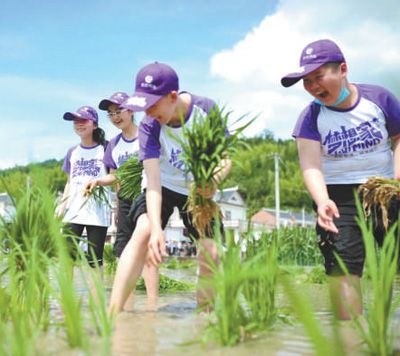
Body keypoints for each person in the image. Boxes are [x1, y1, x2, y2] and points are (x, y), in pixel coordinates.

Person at [281, 39, 400, 319]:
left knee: (391, 262)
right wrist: (322, 201)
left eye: (318, 77)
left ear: (343, 69)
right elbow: (310, 165)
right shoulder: (310, 117)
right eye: (307, 81)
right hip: (338, 199)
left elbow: (398, 138)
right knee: (344, 268)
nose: (313, 87)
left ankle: (385, 331)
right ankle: (350, 337)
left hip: (384, 191)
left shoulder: (380, 99)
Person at [108, 62, 231, 314]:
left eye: (153, 105)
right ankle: (113, 314)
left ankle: (204, 317)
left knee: (211, 250)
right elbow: (152, 181)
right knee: (142, 231)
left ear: (173, 97)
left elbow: (226, 156)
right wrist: (155, 229)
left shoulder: (205, 110)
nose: (149, 112)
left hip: (196, 190)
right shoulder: (149, 124)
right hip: (161, 185)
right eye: (144, 107)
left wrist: (215, 179)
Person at [85, 91, 159, 306]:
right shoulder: (114, 144)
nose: (115, 116)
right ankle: (127, 303)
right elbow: (116, 176)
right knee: (123, 250)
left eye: (119, 111)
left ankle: (152, 305)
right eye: (110, 114)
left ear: (131, 111)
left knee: (146, 250)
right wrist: (99, 182)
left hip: (146, 196)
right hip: (126, 200)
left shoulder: (146, 136)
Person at [58, 106, 111, 268]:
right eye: (76, 121)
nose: (78, 124)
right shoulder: (72, 152)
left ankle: (96, 294)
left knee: (94, 261)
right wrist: (62, 205)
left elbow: (115, 178)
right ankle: (67, 294)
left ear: (94, 124)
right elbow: (69, 182)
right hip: (73, 212)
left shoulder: (106, 148)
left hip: (98, 211)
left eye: (83, 120)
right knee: (67, 259)